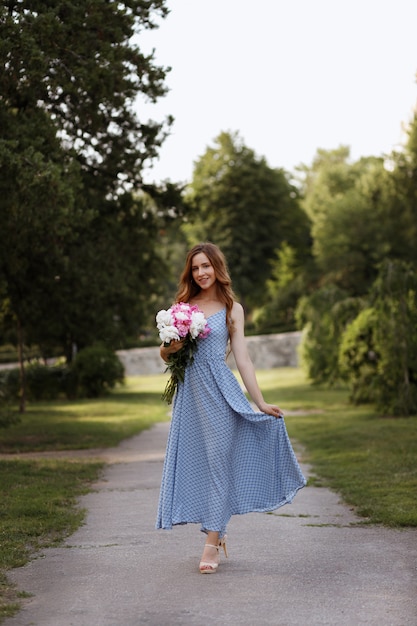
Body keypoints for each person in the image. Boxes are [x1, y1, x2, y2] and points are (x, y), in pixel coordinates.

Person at [156, 242, 306, 573]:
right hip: (190, 396)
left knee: (220, 462)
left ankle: (211, 544)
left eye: (206, 266)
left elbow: (243, 358)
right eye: (195, 268)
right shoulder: (181, 307)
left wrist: (260, 401)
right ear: (190, 272)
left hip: (221, 392)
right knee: (202, 464)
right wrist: (173, 346)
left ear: (217, 267)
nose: (201, 273)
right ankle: (217, 532)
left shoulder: (231, 308)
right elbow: (165, 353)